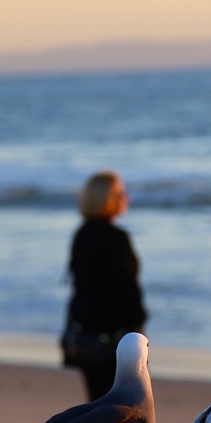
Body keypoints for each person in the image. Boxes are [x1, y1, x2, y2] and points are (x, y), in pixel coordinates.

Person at [62, 171, 147, 401]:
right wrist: (138, 327)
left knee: (98, 405)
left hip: (86, 338)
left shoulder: (82, 235)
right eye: (120, 193)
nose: (126, 198)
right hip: (113, 341)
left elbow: (80, 289)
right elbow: (126, 290)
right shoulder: (115, 237)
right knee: (119, 407)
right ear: (106, 199)